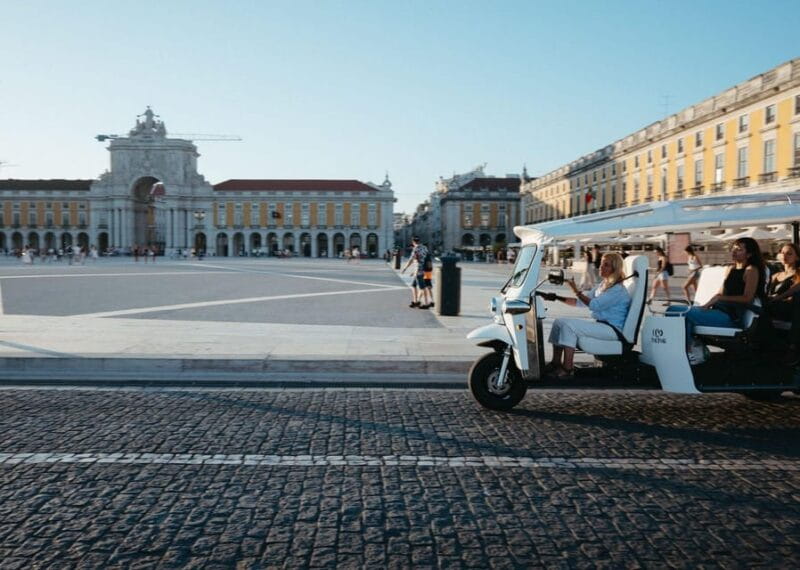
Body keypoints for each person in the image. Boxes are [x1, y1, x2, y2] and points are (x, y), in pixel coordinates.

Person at [545, 253, 631, 379]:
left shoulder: (617, 289)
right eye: (601, 263)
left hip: (612, 329)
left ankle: (568, 369)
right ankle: (555, 363)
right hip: (602, 326)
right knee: (559, 322)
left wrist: (575, 290)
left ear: (615, 268)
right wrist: (556, 297)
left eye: (606, 265)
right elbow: (580, 302)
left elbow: (594, 305)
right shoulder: (603, 285)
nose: (601, 267)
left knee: (568, 326)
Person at [666, 237, 766, 344]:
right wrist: (707, 304)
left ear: (749, 254)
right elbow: (720, 293)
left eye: (739, 249)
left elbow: (747, 298)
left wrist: (720, 298)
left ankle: (688, 350)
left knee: (674, 310)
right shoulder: (730, 269)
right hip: (718, 310)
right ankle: (689, 349)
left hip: (731, 317)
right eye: (734, 248)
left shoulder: (751, 270)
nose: (734, 251)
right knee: (680, 315)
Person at [764, 243, 800, 362]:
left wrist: (778, 298)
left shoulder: (798, 274)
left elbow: (796, 290)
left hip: (789, 308)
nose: (785, 256)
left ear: (797, 257)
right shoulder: (775, 275)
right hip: (773, 306)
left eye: (789, 253)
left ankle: (792, 348)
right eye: (783, 253)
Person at [401, 236, 431, 308]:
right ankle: (415, 301)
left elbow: (411, 260)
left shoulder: (415, 249)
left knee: (422, 287)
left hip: (418, 271)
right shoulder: (425, 248)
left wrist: (405, 268)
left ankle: (426, 304)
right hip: (422, 269)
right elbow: (426, 258)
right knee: (413, 286)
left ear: (413, 242)